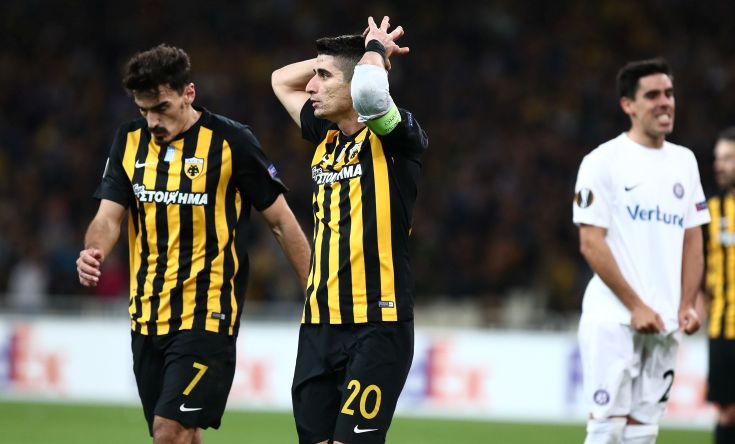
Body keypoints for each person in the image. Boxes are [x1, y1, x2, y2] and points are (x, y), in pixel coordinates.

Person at [75, 44, 311, 444]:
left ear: (189, 93)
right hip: (146, 315)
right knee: (180, 433)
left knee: (168, 431)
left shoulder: (232, 142)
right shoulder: (128, 141)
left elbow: (280, 221)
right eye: (144, 110)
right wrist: (94, 250)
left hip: (207, 315)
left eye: (161, 108)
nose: (153, 121)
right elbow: (108, 217)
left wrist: (316, 288)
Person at [271, 16, 428, 444]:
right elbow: (280, 80)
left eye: (323, 77)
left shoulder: (393, 137)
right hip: (319, 324)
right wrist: (345, 55)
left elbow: (372, 95)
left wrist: (372, 52)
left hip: (377, 324)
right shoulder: (326, 135)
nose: (310, 85)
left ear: (355, 83)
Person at [572, 57, 710, 444]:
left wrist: (687, 303)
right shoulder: (602, 161)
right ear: (628, 105)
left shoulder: (684, 161)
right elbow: (590, 242)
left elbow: (693, 238)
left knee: (644, 433)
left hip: (665, 321)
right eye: (652, 95)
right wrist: (635, 306)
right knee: (606, 428)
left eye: (669, 93)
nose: (665, 102)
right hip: (614, 318)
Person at [703, 127, 735, 444]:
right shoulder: (708, 211)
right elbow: (695, 264)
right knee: (727, 413)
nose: (719, 165)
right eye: (718, 158)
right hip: (723, 328)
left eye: (728, 158)